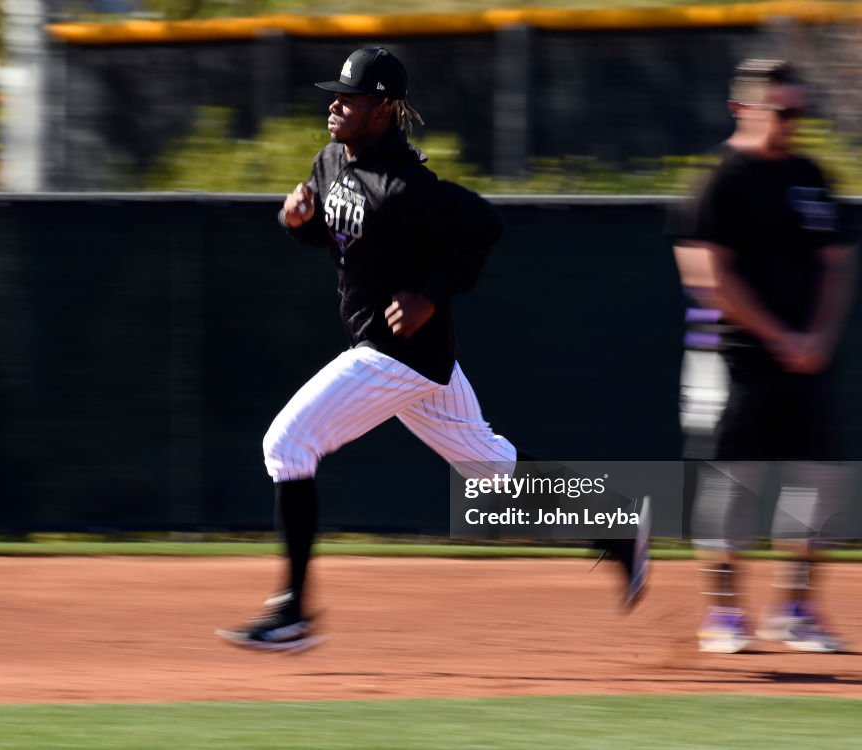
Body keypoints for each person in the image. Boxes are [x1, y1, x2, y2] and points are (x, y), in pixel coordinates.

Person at [217, 47, 649, 653]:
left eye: (352, 98)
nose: (336, 105)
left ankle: (292, 612)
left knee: (287, 443)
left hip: (397, 352)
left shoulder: (406, 185)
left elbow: (484, 227)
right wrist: (299, 224)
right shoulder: (329, 161)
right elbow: (333, 235)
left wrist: (429, 295)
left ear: (385, 109)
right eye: (335, 95)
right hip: (414, 360)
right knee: (490, 471)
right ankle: (616, 524)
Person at [674, 59, 857, 654]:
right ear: (743, 109)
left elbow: (836, 265)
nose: (792, 122)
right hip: (736, 358)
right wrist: (781, 338)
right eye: (781, 111)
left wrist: (819, 339)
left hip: (807, 360)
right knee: (734, 485)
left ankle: (796, 611)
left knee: (818, 483)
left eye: (799, 111)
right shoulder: (719, 180)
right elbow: (708, 277)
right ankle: (723, 615)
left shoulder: (810, 174)